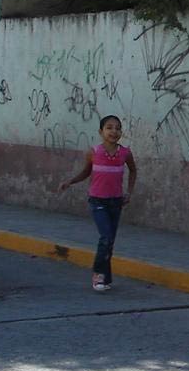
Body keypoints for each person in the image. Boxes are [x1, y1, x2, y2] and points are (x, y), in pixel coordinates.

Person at [57, 115, 139, 292]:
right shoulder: (94, 152)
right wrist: (70, 181)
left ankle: (106, 278)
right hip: (97, 200)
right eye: (109, 127)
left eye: (117, 128)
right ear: (101, 132)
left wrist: (129, 192)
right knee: (105, 237)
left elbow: (133, 171)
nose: (114, 131)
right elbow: (86, 172)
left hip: (116, 201)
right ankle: (98, 274)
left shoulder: (125, 153)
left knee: (110, 240)